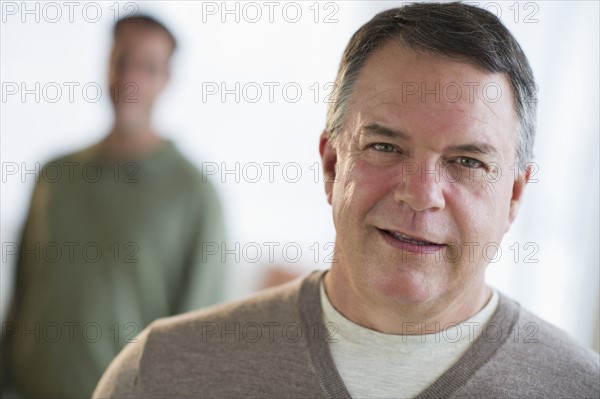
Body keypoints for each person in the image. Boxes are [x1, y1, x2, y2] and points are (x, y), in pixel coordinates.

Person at [92, 3, 599, 398]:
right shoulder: (159, 372)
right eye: (385, 146)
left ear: (513, 194)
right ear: (332, 164)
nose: (421, 194)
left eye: (467, 161)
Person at [1, 15, 228, 398]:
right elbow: (22, 296)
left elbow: (196, 336)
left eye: (148, 66)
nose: (130, 78)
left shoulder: (193, 193)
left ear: (166, 80)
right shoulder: (53, 177)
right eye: (121, 60)